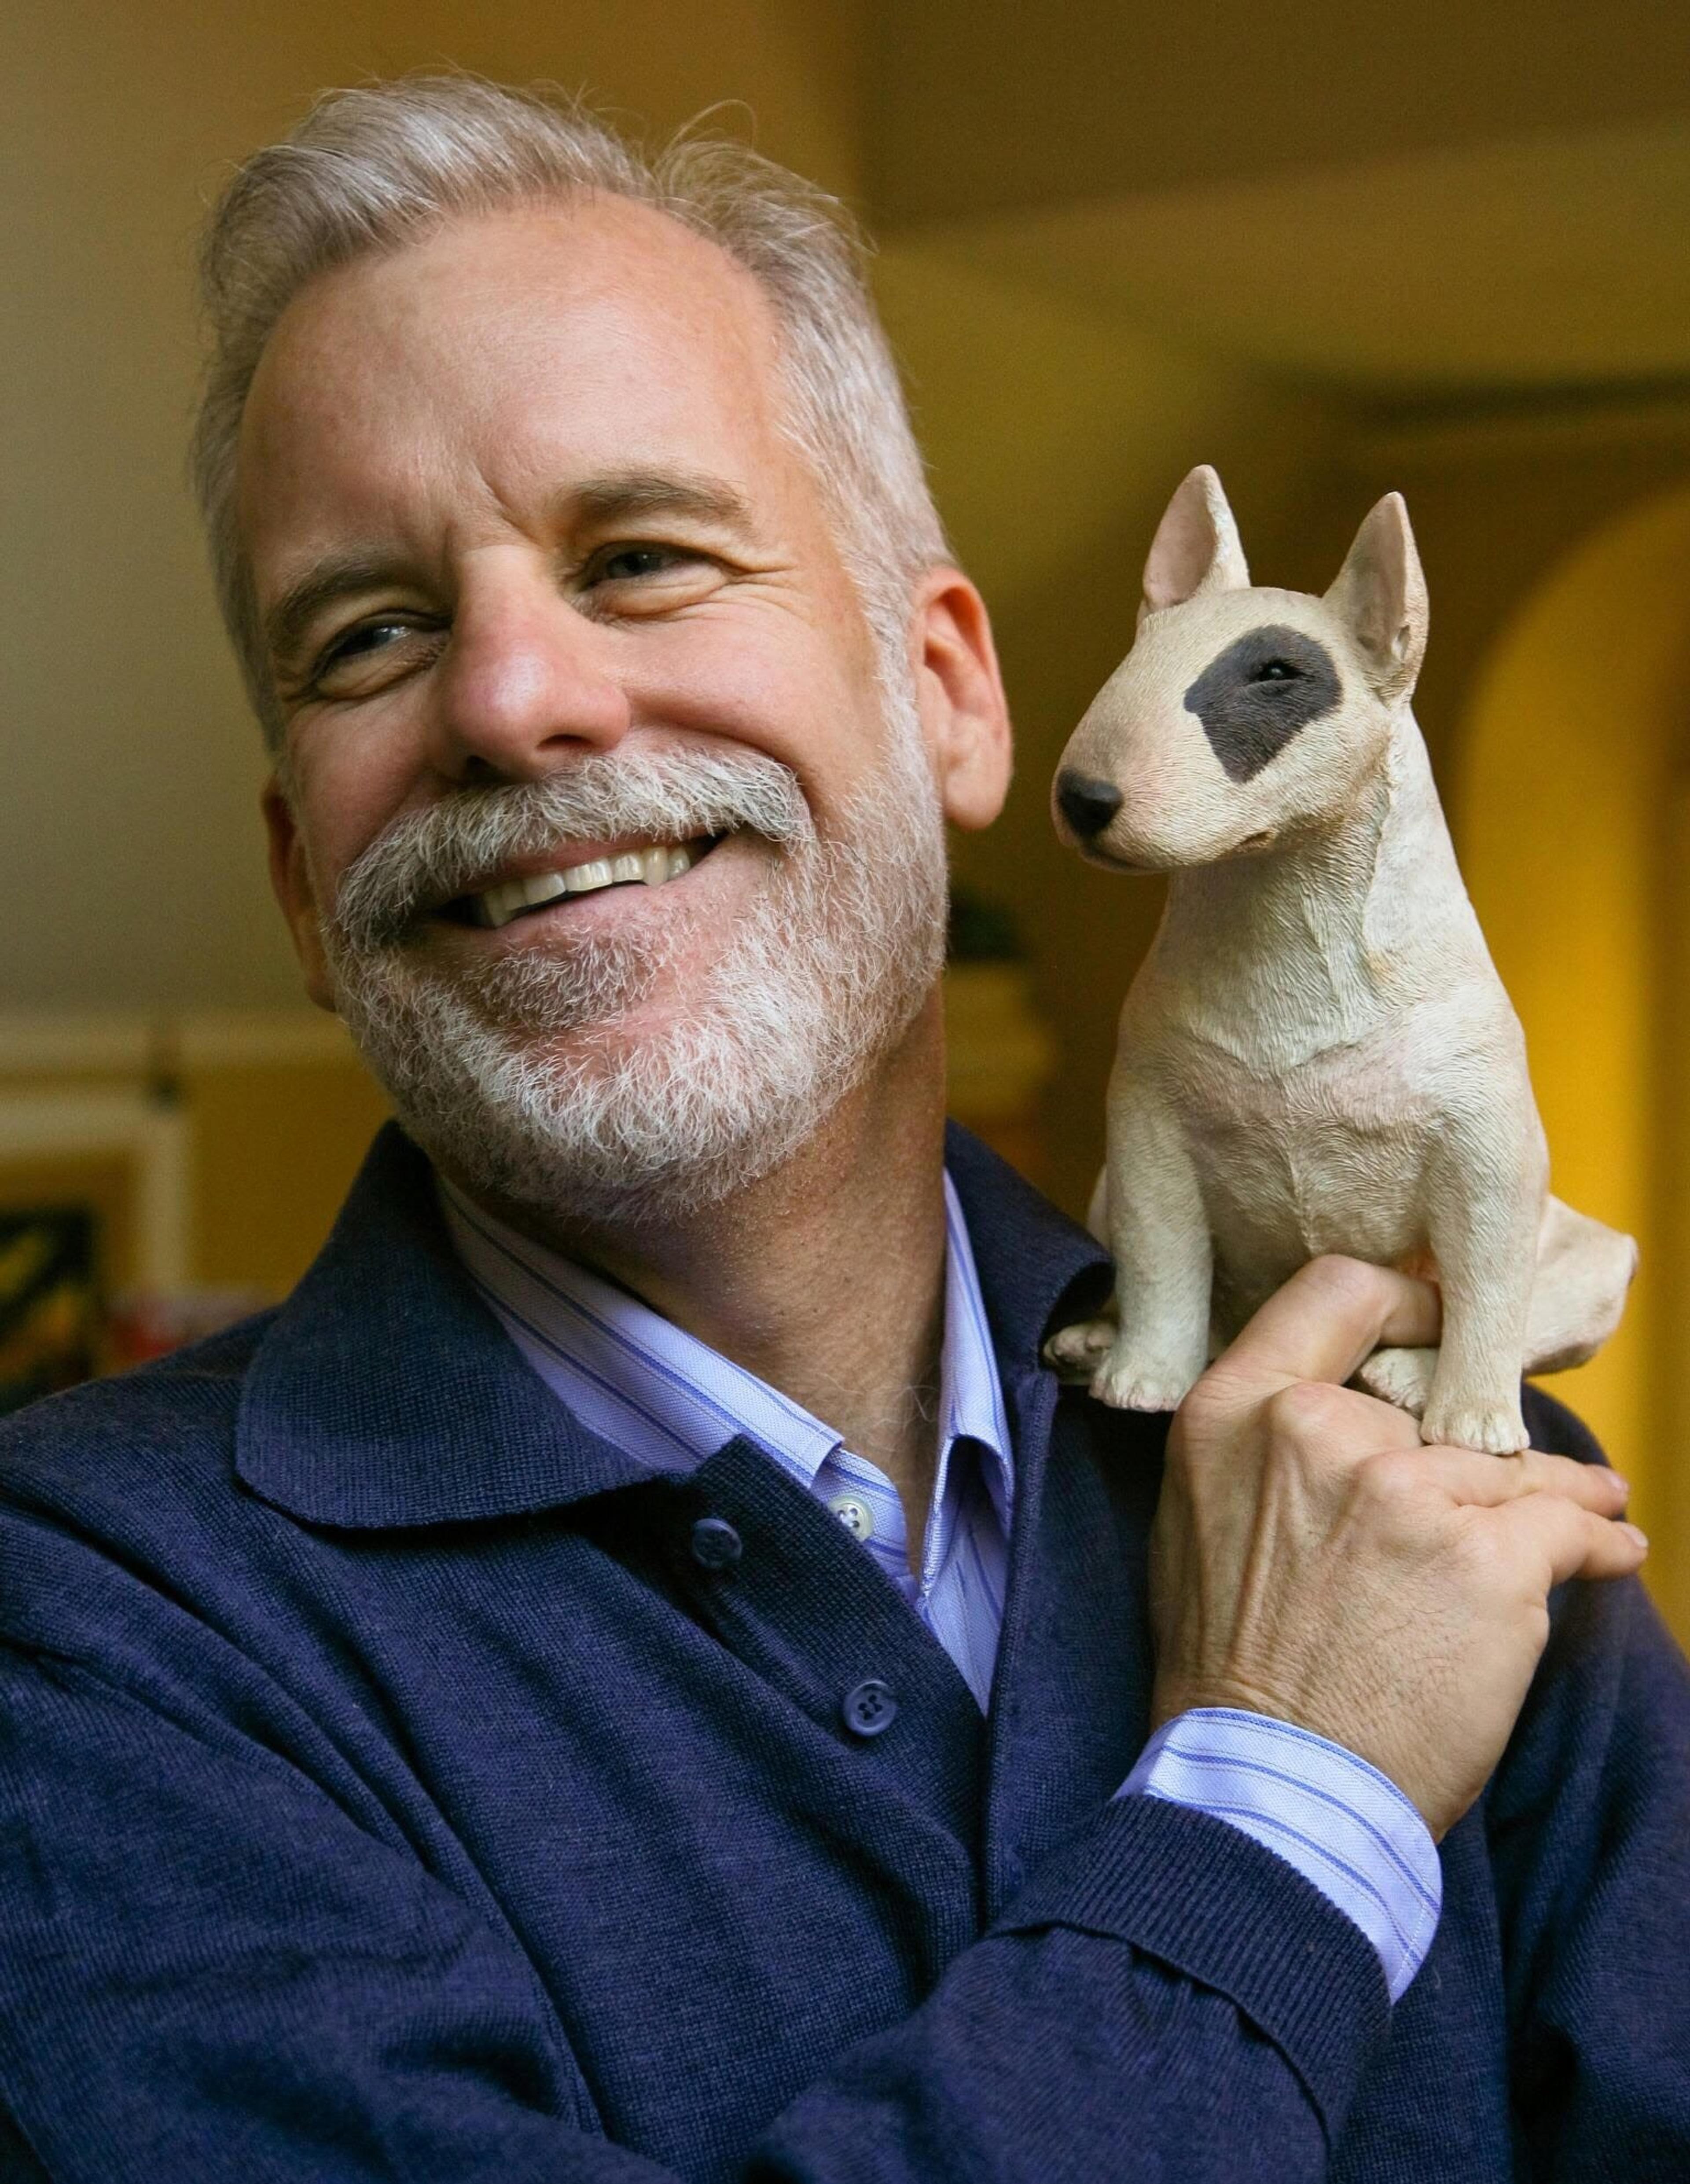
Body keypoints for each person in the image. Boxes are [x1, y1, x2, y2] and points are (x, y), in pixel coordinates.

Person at [0, 75, 1684, 2183]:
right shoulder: (84, 1637)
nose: (515, 698)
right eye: (372, 633)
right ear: (298, 885)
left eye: (640, 555)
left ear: (953, 696)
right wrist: (1290, 1801)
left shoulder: (1444, 1478)